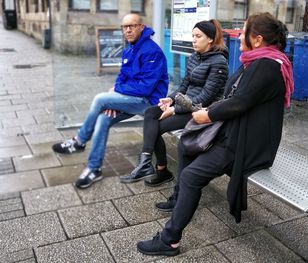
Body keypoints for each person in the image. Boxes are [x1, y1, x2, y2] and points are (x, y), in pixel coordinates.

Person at [137, 12, 294, 256]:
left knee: (190, 176)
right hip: (237, 133)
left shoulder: (266, 66)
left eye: (244, 32)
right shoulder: (259, 61)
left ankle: (169, 240)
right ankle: (179, 201)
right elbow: (236, 100)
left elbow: (239, 102)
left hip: (245, 145)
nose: (239, 35)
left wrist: (207, 115)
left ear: (258, 39)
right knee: (187, 145)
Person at [51, 14, 169, 189]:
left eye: (132, 26)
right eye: (124, 27)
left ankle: (79, 141)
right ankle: (94, 168)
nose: (128, 30)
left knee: (100, 99)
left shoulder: (151, 51)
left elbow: (146, 87)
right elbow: (122, 77)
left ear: (141, 27)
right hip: (132, 100)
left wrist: (114, 94)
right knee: (103, 118)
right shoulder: (129, 49)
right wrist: (115, 98)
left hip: (149, 103)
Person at [119, 19, 229, 185]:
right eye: (193, 36)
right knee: (150, 113)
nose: (193, 40)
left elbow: (205, 98)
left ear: (210, 39)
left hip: (200, 111)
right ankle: (146, 162)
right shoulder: (194, 57)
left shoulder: (219, 62)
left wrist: (175, 109)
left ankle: (161, 170)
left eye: (198, 36)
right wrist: (170, 98)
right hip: (184, 104)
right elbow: (184, 85)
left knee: (156, 127)